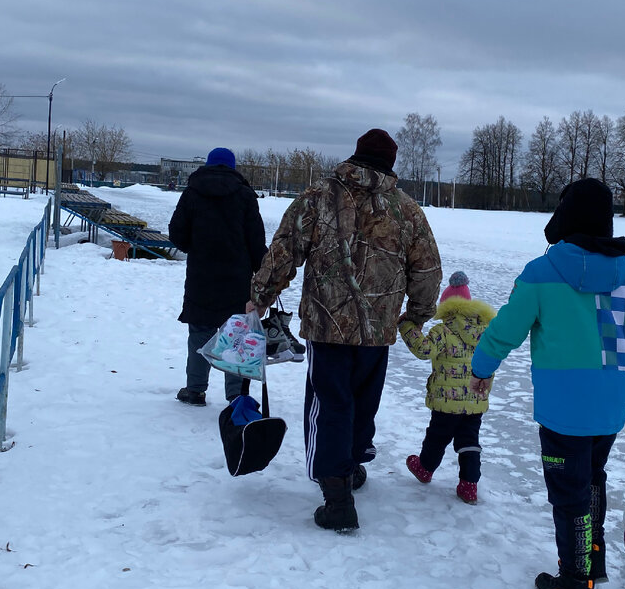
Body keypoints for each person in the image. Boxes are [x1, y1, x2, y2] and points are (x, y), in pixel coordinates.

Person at [469, 178, 625, 589]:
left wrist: (480, 369)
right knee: (592, 476)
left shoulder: (541, 273)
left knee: (569, 493)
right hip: (609, 405)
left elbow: (506, 328)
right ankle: (590, 561)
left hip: (564, 407)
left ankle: (575, 583)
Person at [247, 129, 441, 531]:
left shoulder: (318, 197)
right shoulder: (406, 210)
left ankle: (337, 494)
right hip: (376, 331)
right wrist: (416, 315)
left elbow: (284, 250)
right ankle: (349, 466)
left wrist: (260, 295)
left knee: (331, 404)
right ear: (390, 164)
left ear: (356, 156)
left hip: (328, 324)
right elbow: (426, 269)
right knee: (361, 400)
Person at [168, 148, 267, 406]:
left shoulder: (192, 193)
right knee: (236, 335)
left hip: (202, 276)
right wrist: (263, 272)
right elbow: (256, 240)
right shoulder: (245, 195)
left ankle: (195, 390)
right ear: (232, 167)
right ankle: (236, 394)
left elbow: (176, 233)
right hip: (237, 278)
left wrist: (197, 248)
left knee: (200, 331)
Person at [399, 270, 495, 505]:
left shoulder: (443, 330)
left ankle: (425, 468)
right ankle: (469, 485)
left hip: (446, 400)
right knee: (469, 441)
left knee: (437, 436)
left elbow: (423, 350)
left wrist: (407, 327)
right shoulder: (485, 333)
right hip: (475, 400)